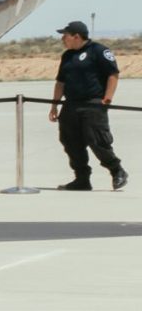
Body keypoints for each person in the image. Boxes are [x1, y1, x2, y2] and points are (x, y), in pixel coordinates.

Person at [49, 19, 126, 191]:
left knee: (97, 141)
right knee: (70, 142)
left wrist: (107, 99)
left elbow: (113, 75)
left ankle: (117, 171)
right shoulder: (67, 56)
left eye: (65, 36)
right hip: (70, 105)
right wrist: (54, 105)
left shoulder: (98, 51)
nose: (63, 39)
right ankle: (82, 179)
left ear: (76, 36)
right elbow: (60, 82)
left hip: (93, 104)